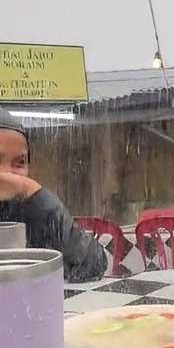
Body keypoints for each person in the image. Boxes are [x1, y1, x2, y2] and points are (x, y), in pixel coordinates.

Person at [0, 108, 107, 282]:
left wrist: (37, 196)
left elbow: (93, 264)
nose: (8, 175)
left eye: (19, 163)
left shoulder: (32, 210)